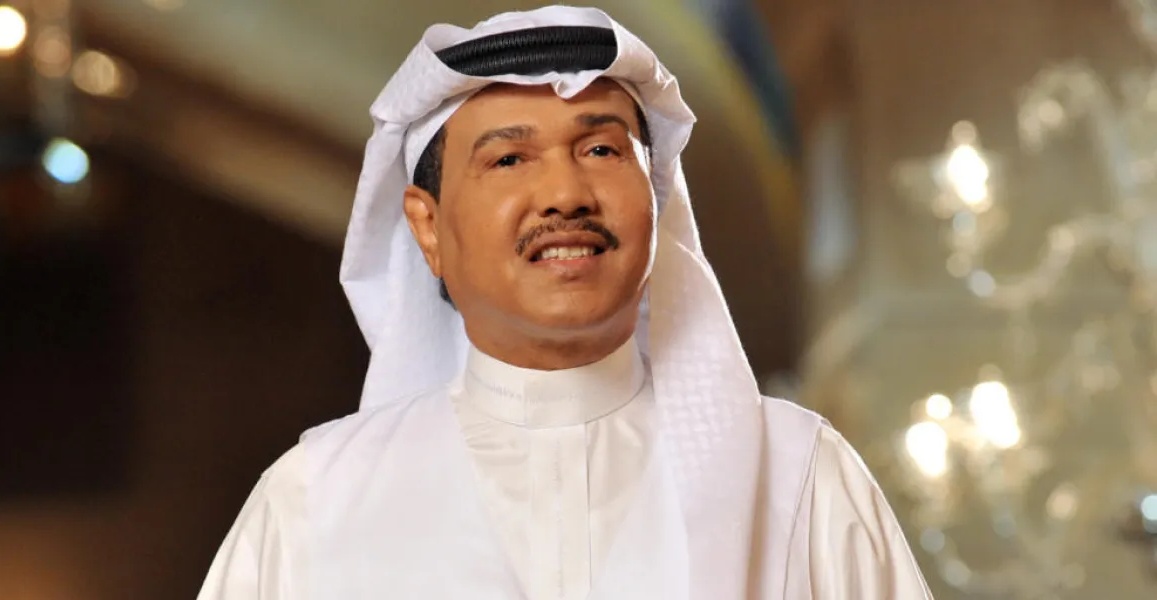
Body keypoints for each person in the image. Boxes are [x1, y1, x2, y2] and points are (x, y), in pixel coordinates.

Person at [196, 6, 933, 599]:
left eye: (601, 150)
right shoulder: (313, 500)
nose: (564, 195)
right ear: (428, 227)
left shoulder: (800, 474)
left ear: (657, 200)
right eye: (510, 158)